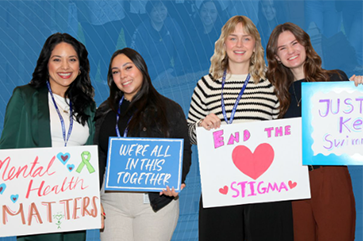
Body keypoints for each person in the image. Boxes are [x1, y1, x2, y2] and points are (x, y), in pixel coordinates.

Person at [187, 15, 293, 241]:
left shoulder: (270, 86)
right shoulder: (205, 85)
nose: (239, 45)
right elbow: (189, 134)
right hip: (220, 188)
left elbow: (281, 136)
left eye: (246, 39)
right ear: (223, 44)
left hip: (265, 189)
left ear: (255, 45)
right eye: (233, 38)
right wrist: (201, 126)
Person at [0, 33, 95, 241]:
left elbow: (92, 157)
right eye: (57, 59)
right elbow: (7, 152)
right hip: (37, 203)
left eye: (72, 59)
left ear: (80, 66)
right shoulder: (24, 97)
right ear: (46, 63)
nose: (65, 67)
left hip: (75, 204)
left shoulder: (87, 106)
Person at [266, 22, 356, 241]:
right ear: (276, 57)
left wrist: (357, 93)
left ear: (305, 44)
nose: (291, 51)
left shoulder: (335, 80)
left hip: (331, 174)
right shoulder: (274, 97)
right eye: (283, 48)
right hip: (292, 182)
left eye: (295, 43)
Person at [94, 47, 191, 241]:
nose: (123, 76)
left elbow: (184, 151)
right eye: (116, 72)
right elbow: (98, 156)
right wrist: (93, 197)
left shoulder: (169, 109)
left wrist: (175, 180)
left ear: (141, 68)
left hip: (154, 202)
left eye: (128, 68)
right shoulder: (103, 112)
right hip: (112, 202)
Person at [130, 0, 185, 81]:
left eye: (162, 9)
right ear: (149, 13)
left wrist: (175, 72)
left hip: (167, 72)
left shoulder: (172, 24)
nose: (159, 13)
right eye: (155, 10)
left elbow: (181, 48)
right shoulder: (141, 31)